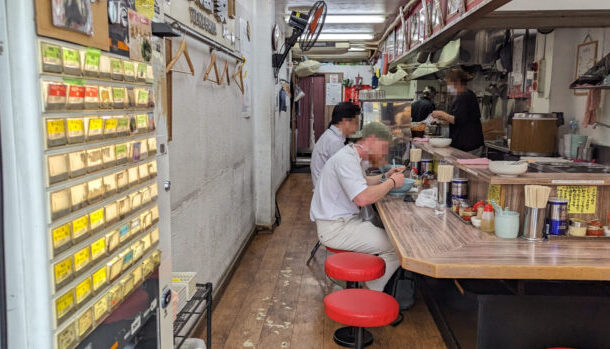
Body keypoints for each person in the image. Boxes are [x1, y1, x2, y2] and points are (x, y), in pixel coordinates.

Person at [310, 122, 404, 291]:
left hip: (343, 223)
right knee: (398, 249)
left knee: (391, 240)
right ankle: (371, 290)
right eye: (384, 147)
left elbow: (362, 182)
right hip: (336, 229)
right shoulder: (346, 159)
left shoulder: (351, 155)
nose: (384, 153)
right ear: (372, 139)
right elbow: (362, 198)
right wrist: (391, 183)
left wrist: (385, 176)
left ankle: (369, 284)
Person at [431, 69, 484, 155]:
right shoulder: (466, 94)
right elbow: (461, 118)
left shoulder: (464, 96)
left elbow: (458, 119)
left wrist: (442, 114)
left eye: (449, 83)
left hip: (468, 145)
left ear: (457, 82)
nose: (448, 87)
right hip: (468, 144)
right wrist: (442, 120)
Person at [310, 102, 360, 188]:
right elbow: (345, 174)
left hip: (325, 187)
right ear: (345, 121)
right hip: (327, 192)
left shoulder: (331, 136)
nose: (357, 128)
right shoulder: (334, 141)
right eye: (356, 123)